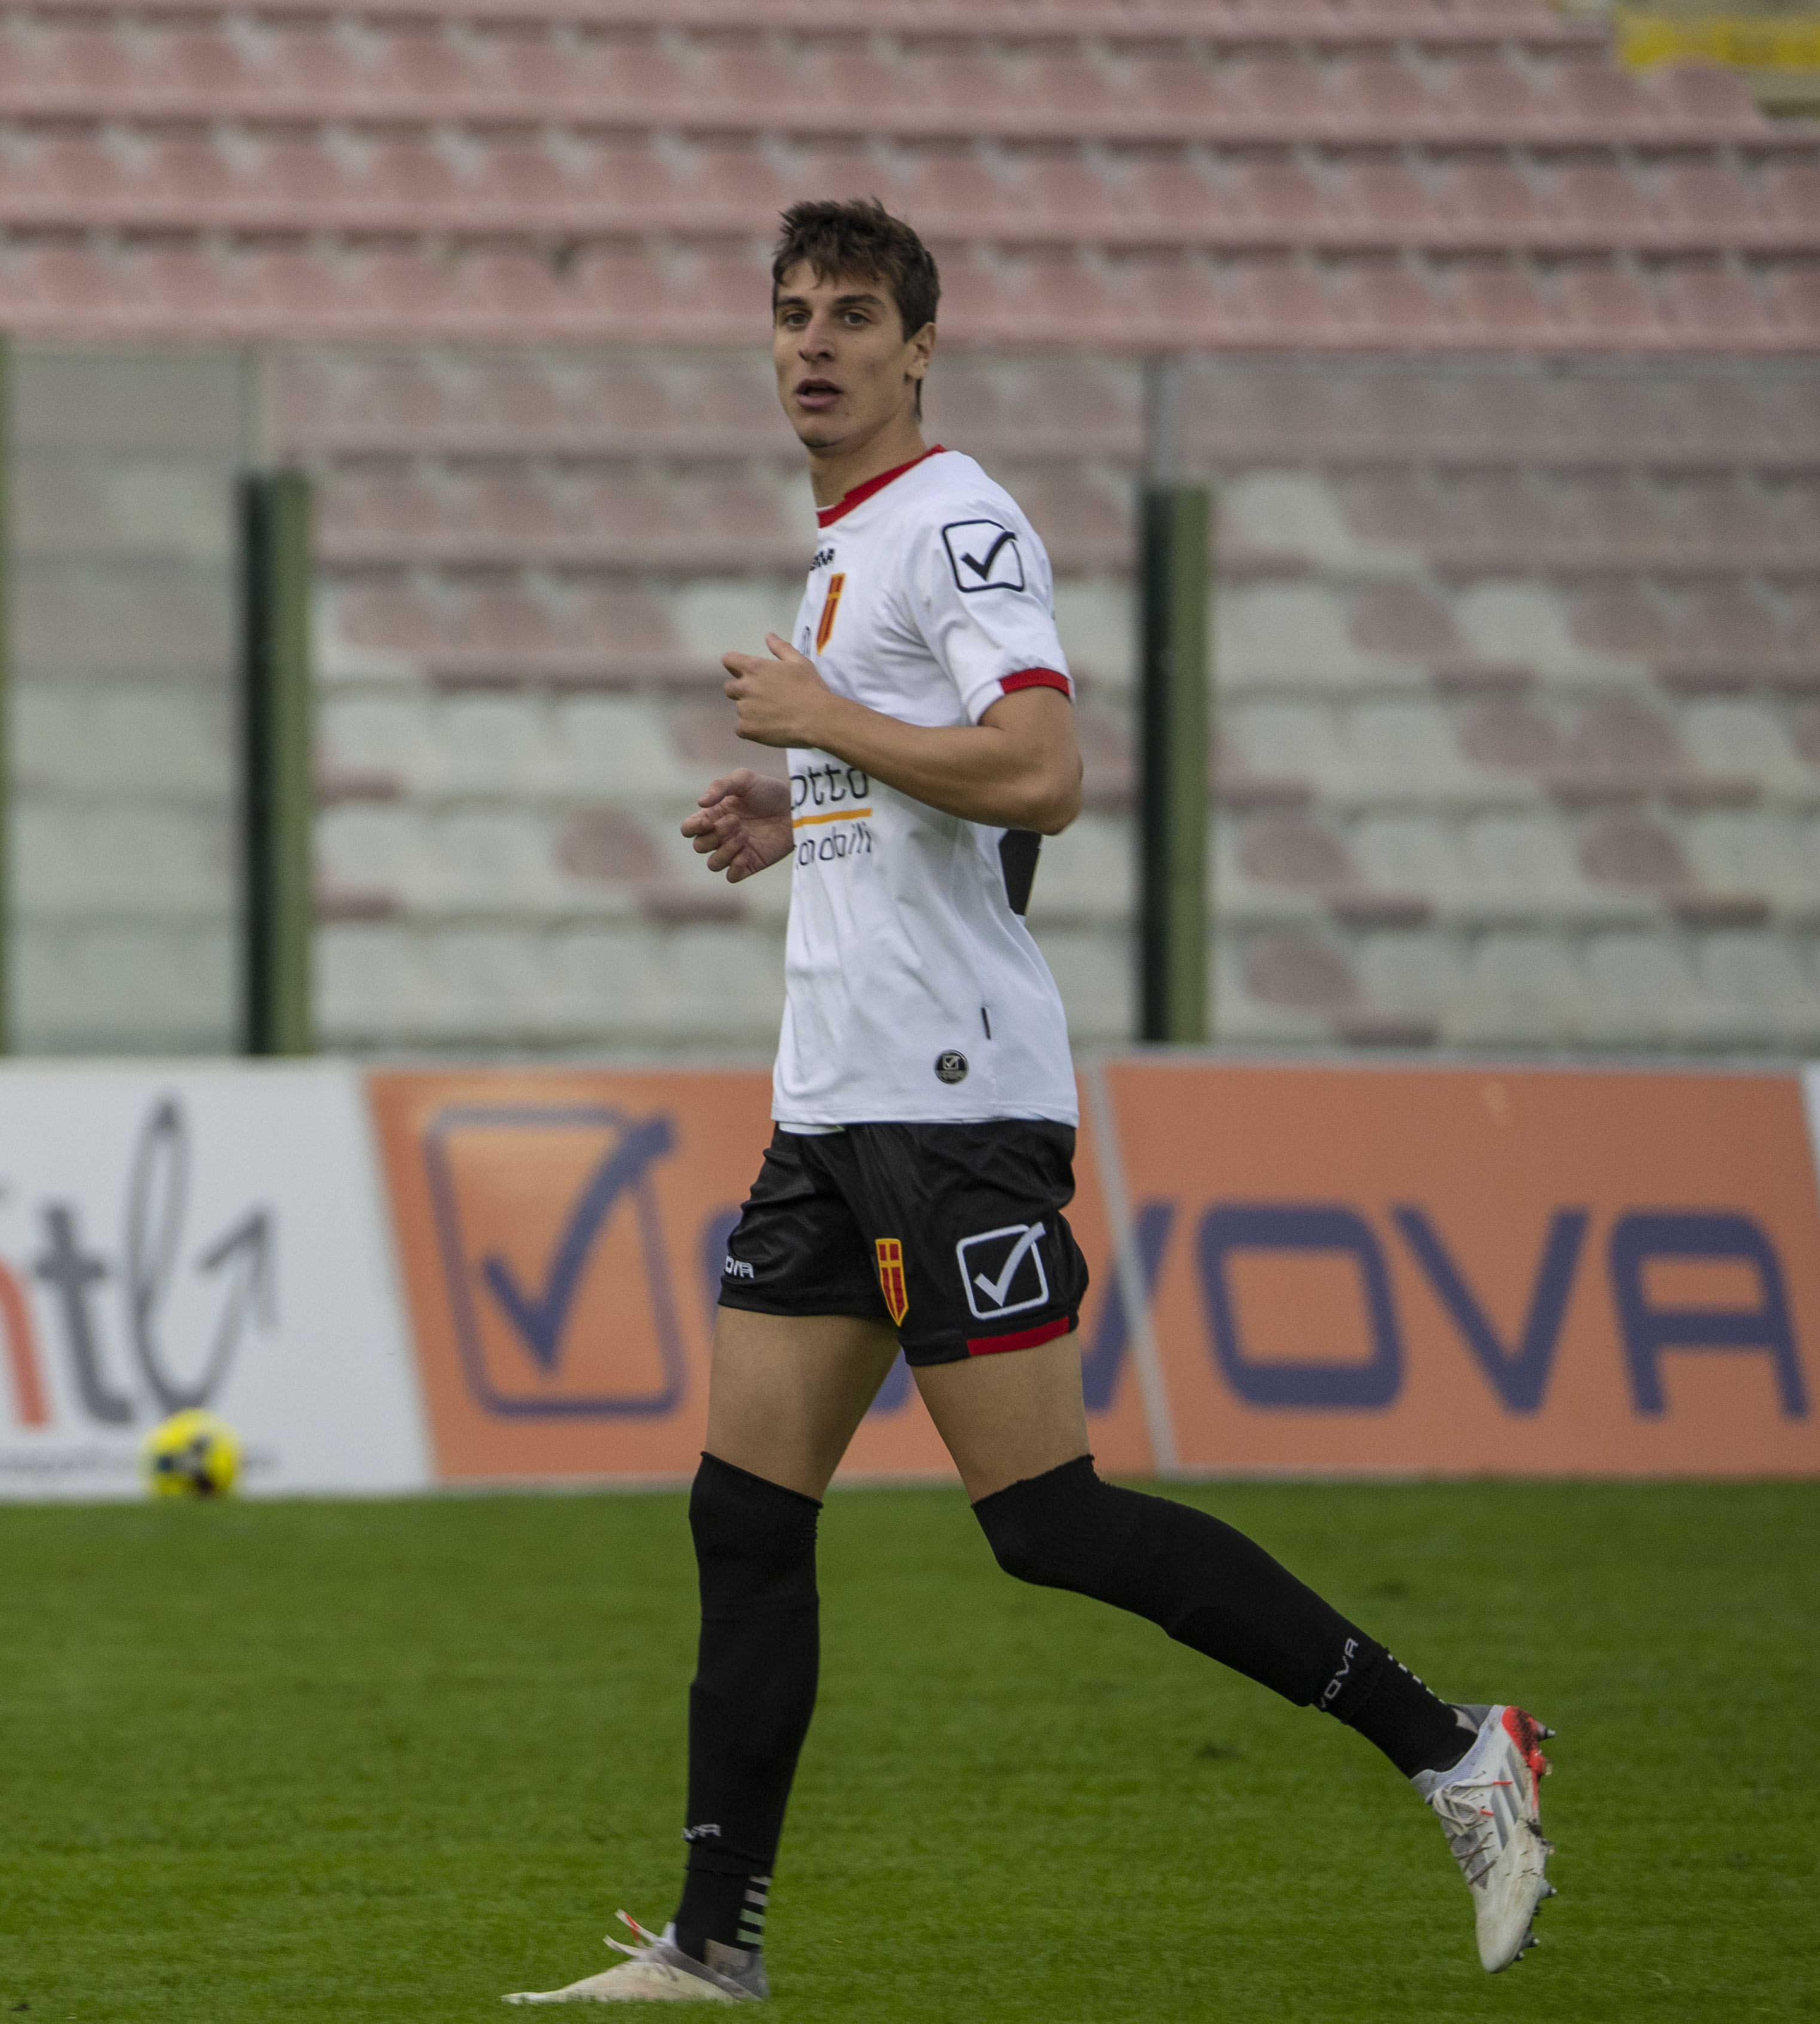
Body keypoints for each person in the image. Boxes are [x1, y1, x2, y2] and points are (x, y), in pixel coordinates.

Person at [507, 200, 1556, 2005]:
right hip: (831, 1111)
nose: (815, 343)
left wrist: (825, 728)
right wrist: (803, 809)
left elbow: (1047, 773)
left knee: (1045, 1522)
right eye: (791, 313)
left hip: (948, 1104)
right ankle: (711, 1944)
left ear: (920, 347)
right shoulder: (847, 547)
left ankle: (1454, 1747)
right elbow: (944, 791)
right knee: (743, 1517)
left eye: (853, 315)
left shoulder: (958, 523)